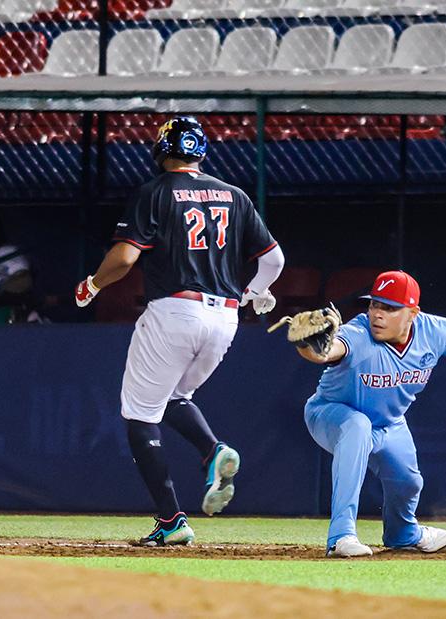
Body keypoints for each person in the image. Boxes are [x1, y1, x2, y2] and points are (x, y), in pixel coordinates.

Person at [73, 116, 285, 547]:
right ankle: (211, 450)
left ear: (160, 151)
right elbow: (274, 260)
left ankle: (171, 520)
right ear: (201, 151)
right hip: (226, 318)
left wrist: (92, 284)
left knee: (138, 414)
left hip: (175, 309)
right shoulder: (235, 195)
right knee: (170, 398)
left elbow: (125, 258)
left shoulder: (155, 192)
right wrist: (254, 292)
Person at [288, 270, 446, 558]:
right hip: (331, 414)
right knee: (357, 426)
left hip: (389, 424)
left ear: (412, 313)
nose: (378, 314)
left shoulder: (435, 332)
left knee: (409, 482)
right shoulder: (359, 332)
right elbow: (325, 352)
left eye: (389, 308)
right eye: (374, 304)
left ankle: (403, 533)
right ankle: (341, 536)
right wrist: (306, 344)